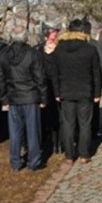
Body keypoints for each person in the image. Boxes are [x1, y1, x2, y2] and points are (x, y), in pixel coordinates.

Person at [0, 26, 46, 172]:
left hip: (13, 97)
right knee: (33, 131)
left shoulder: (4, 54)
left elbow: (0, 79)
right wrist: (43, 98)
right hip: (30, 96)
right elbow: (40, 78)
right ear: (25, 37)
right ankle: (34, 160)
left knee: (15, 132)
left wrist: (4, 98)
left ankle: (15, 161)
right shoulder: (33, 53)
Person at [52, 19, 102, 164]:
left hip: (66, 90)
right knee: (85, 124)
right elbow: (96, 73)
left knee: (68, 124)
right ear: (82, 31)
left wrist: (56, 92)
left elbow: (54, 73)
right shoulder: (90, 49)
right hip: (85, 90)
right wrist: (97, 92)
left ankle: (69, 155)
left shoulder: (59, 49)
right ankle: (84, 154)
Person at [38, 26, 61, 155]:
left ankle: (58, 142)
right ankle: (46, 141)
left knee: (57, 115)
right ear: (46, 37)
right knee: (44, 115)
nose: (55, 37)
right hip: (44, 86)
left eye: (56, 35)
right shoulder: (38, 50)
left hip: (57, 86)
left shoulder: (60, 49)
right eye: (53, 35)